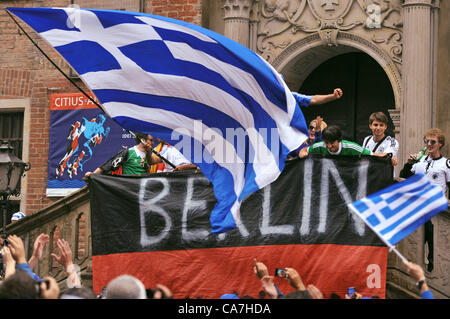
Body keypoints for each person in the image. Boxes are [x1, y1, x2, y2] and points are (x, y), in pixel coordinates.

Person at [400, 128, 450, 197]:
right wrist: (409, 164)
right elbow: (403, 178)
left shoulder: (446, 163)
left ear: (440, 144)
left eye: (433, 142)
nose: (429, 144)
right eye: (426, 141)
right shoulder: (419, 160)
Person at [84, 132, 160, 177]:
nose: (153, 143)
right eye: (151, 140)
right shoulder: (128, 152)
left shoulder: (149, 156)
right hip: (129, 189)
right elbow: (109, 164)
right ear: (143, 140)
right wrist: (93, 174)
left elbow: (151, 166)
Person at [304, 125, 373, 157]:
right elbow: (304, 150)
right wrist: (303, 153)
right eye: (326, 142)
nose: (329, 146)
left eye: (332, 142)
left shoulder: (352, 147)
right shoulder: (319, 146)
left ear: (339, 140)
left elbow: (373, 155)